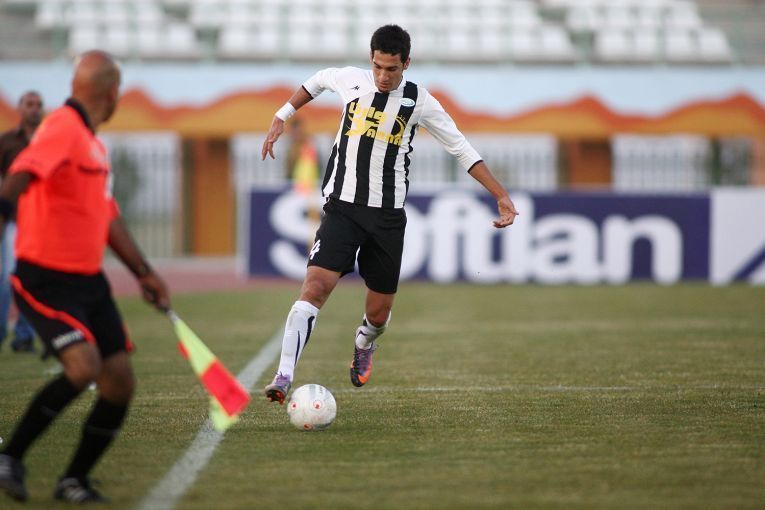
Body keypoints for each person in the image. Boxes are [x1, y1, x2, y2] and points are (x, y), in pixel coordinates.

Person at [260, 24, 519, 404]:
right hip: (342, 209)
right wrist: (282, 114)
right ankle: (283, 376)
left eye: (392, 69)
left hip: (386, 218)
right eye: (378, 67)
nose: (383, 76)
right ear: (371, 59)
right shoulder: (350, 80)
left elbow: (461, 149)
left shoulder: (420, 102)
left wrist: (501, 196)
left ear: (406, 64)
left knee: (379, 314)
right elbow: (316, 82)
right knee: (314, 287)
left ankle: (365, 341)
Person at [0, 50, 170, 504]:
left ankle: (73, 479)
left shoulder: (93, 143)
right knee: (83, 367)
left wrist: (144, 273)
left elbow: (108, 217)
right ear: (113, 94)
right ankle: (10, 457)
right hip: (45, 276)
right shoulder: (61, 128)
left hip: (88, 281)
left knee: (119, 382)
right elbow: (18, 177)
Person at [0, 91, 42, 353]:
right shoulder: (7, 142)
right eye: (29, 104)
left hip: (42, 221)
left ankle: (24, 336)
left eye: (38, 105)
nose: (34, 109)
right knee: (8, 278)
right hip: (14, 220)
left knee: (32, 280)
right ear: (20, 108)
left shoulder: (48, 140)